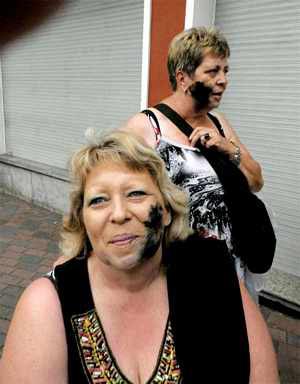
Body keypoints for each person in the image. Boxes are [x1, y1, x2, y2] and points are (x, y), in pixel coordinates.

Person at [0, 131, 278, 383]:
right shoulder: (47, 304)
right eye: (98, 200)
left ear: (167, 210)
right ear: (82, 220)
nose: (119, 214)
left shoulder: (213, 274)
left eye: (136, 193)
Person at [121, 26, 266, 301]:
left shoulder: (219, 123)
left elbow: (256, 182)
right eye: (213, 71)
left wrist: (228, 148)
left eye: (226, 71)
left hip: (231, 267)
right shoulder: (147, 127)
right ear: (183, 77)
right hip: (176, 272)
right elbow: (115, 193)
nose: (223, 80)